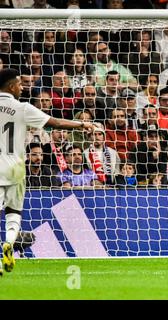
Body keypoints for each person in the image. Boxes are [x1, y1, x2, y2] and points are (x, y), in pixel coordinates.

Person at [0, 68, 94, 275]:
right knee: (13, 212)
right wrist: (82, 124)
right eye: (19, 83)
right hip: (15, 167)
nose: (22, 87)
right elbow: (56, 123)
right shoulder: (22, 107)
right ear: (10, 86)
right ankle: (8, 243)